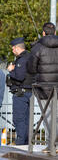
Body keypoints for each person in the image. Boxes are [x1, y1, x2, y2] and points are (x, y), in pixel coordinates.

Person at [27, 22, 58, 152]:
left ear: (43, 33)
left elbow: (31, 68)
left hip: (44, 87)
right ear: (55, 32)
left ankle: (52, 145)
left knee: (48, 116)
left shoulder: (37, 48)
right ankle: (54, 144)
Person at [7, 37, 32, 145]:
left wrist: (11, 71)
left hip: (21, 93)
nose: (12, 51)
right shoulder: (30, 57)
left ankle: (21, 143)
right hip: (28, 91)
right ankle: (26, 142)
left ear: (17, 48)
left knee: (19, 119)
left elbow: (19, 76)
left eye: (13, 49)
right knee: (26, 120)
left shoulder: (22, 59)